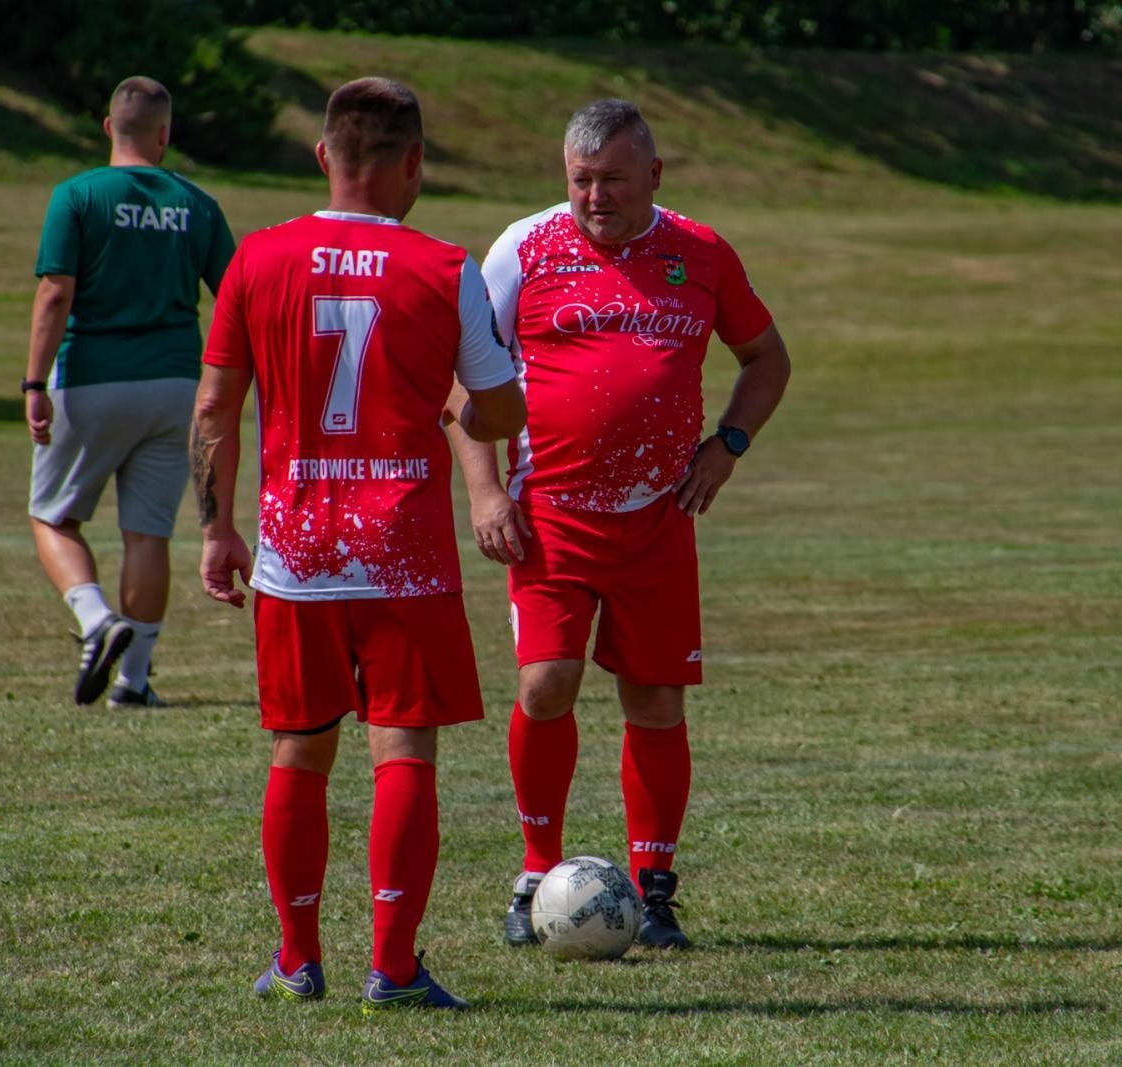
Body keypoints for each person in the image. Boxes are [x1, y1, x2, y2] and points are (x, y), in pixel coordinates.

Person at [192, 77, 525, 1013]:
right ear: (413, 162)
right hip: (402, 553)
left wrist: (217, 528)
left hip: (295, 553)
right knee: (402, 749)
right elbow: (499, 407)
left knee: (298, 752)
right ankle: (394, 965)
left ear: (322, 157)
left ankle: (297, 961)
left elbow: (216, 407)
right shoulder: (443, 266)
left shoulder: (257, 259)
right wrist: (459, 401)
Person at [447, 98, 792, 950]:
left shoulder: (701, 251)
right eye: (580, 180)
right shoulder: (523, 248)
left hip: (657, 517)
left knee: (656, 697)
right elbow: (464, 389)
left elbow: (766, 357)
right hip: (551, 517)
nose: (594, 197)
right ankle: (535, 873)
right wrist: (486, 495)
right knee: (546, 682)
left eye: (612, 181)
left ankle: (656, 890)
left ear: (655, 177)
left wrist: (729, 445)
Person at [25, 75, 235, 708]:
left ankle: (95, 620)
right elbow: (234, 298)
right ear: (166, 136)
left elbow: (55, 292)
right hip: (176, 385)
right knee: (148, 533)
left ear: (107, 127)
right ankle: (134, 683)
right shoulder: (196, 203)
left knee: (53, 516)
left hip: (91, 380)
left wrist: (34, 381)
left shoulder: (78, 195)